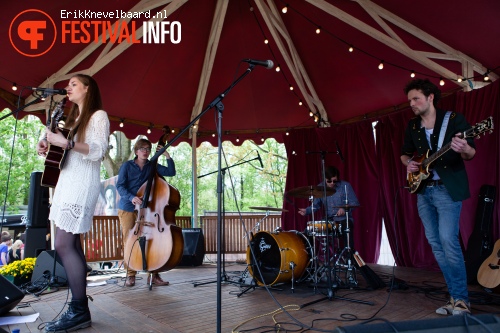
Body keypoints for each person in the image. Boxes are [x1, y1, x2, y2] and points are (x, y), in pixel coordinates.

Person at [36, 74, 110, 332]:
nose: (67, 88)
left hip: (82, 186)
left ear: (88, 89)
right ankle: (81, 311)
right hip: (67, 183)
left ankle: (78, 309)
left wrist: (66, 142)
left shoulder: (98, 116)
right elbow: (65, 151)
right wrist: (50, 146)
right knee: (72, 245)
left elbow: (99, 150)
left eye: (73, 84)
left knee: (63, 243)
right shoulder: (74, 118)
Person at [400, 78, 475, 315]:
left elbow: (470, 153)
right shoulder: (413, 126)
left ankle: (462, 299)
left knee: (448, 242)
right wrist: (410, 164)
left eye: (416, 99)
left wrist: (464, 148)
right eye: (410, 100)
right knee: (436, 244)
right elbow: (405, 155)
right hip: (423, 191)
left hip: (446, 190)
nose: (412, 103)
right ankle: (453, 297)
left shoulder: (454, 120)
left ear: (430, 97)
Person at [116, 138, 176, 287]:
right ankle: (130, 275)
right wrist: (132, 197)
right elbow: (120, 186)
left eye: (148, 149)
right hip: (128, 208)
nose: (145, 151)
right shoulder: (127, 166)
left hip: (148, 210)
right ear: (136, 151)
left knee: (152, 239)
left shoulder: (152, 166)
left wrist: (166, 155)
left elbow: (171, 172)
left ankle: (154, 274)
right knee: (129, 240)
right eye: (142, 148)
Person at [298, 166, 360, 250]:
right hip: (329, 219)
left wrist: (344, 209)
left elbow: (355, 202)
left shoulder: (345, 186)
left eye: (334, 181)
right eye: (329, 181)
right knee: (308, 230)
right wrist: (307, 210)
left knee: (347, 226)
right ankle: (311, 258)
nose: (332, 183)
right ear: (325, 179)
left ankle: (350, 257)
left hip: (344, 219)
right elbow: (316, 205)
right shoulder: (320, 188)